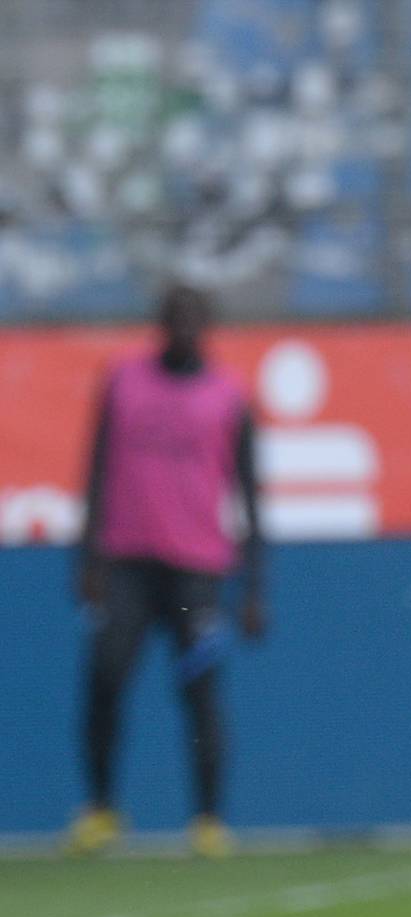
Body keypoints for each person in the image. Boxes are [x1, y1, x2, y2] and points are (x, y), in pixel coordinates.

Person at [68, 283, 268, 860]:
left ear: (205, 327)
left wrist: (254, 586)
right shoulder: (124, 382)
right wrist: (87, 557)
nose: (182, 329)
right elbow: (96, 468)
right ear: (160, 324)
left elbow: (250, 494)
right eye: (173, 319)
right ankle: (101, 810)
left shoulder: (229, 396)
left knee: (201, 692)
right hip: (127, 561)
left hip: (197, 569)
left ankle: (208, 820)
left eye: (192, 320)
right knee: (105, 676)